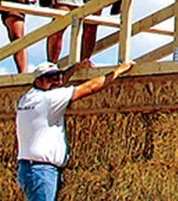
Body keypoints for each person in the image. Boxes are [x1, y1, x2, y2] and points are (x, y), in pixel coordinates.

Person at [16, 59, 134, 201]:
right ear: (38, 81)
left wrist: (75, 68)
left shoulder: (28, 98)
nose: (58, 82)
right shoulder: (49, 100)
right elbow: (90, 87)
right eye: (51, 78)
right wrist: (119, 70)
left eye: (58, 77)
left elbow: (59, 83)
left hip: (32, 169)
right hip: (41, 171)